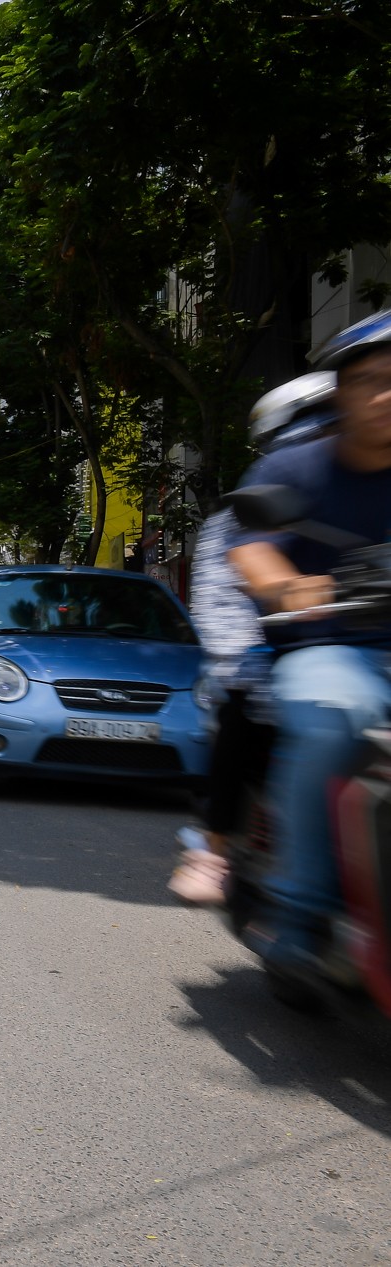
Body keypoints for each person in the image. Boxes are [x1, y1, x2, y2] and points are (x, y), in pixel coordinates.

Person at [227, 312, 391, 974]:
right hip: (333, 649)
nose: (385, 396)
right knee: (334, 721)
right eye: (372, 381)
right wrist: (291, 587)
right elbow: (253, 551)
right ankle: (298, 912)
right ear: (340, 392)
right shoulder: (296, 464)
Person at [168, 372, 335, 904]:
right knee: (241, 714)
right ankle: (215, 846)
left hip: (365, 655)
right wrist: (249, 662)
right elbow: (219, 602)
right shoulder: (249, 508)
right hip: (275, 665)